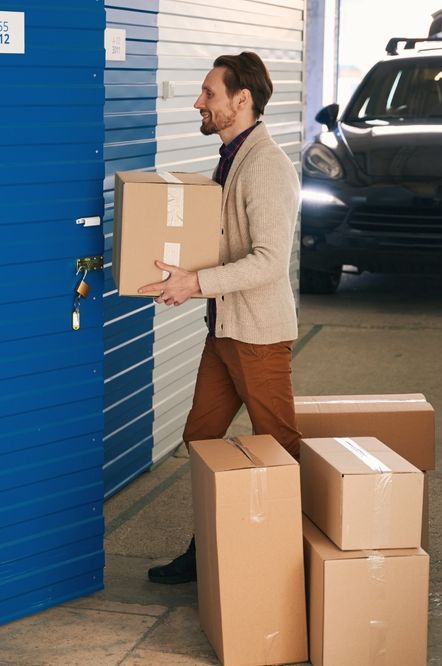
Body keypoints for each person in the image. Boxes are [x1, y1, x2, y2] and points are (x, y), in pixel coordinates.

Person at [138, 52, 303, 584]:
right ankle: (206, 549)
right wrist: (181, 273)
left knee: (280, 451)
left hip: (258, 336)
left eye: (208, 93)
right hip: (225, 332)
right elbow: (225, 242)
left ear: (241, 100)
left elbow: (269, 261)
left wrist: (197, 283)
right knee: (202, 439)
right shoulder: (231, 157)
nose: (198, 102)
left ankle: (299, 565)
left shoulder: (266, 166)